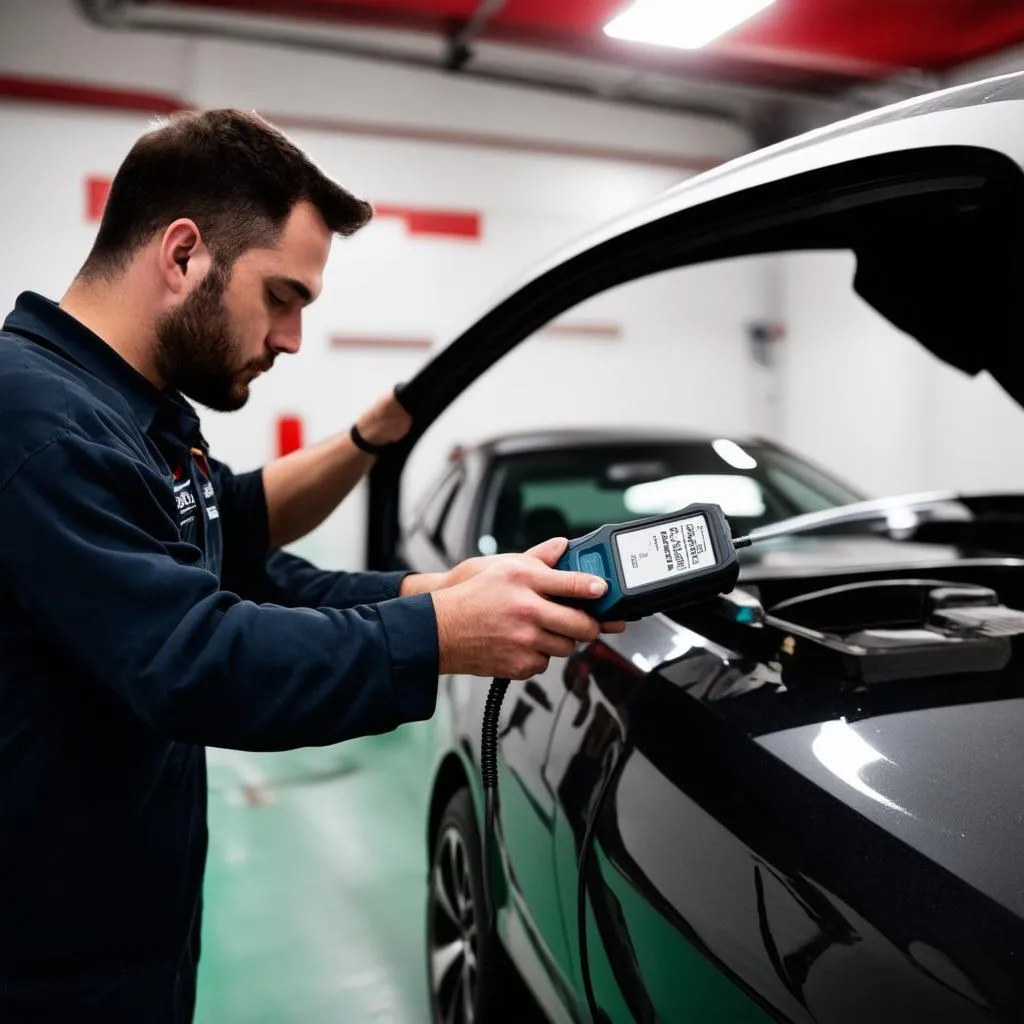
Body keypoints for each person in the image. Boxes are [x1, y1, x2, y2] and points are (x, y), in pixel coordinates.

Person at [0, 108, 622, 1022]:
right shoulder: (38, 424)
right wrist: (442, 633)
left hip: (124, 931)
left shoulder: (140, 416)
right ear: (182, 255)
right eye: (283, 296)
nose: (291, 338)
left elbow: (241, 561)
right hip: (42, 967)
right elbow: (192, 658)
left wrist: (434, 591)